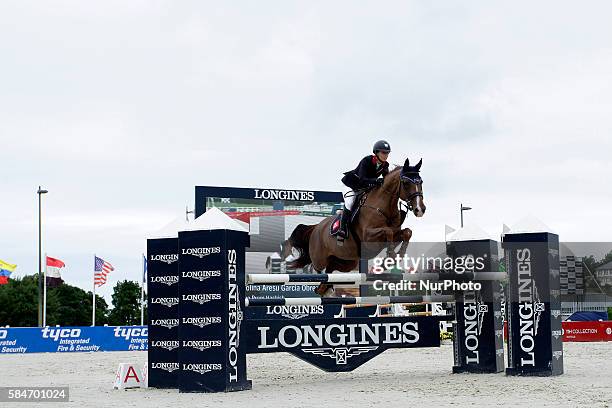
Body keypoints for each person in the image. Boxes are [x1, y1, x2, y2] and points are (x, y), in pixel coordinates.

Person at [338, 140, 391, 238]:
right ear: (376, 152)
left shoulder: (385, 165)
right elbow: (362, 179)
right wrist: (376, 181)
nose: (386, 155)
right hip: (351, 184)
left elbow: (386, 181)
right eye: (383, 152)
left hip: (364, 187)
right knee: (350, 201)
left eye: (387, 153)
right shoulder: (366, 160)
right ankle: (342, 228)